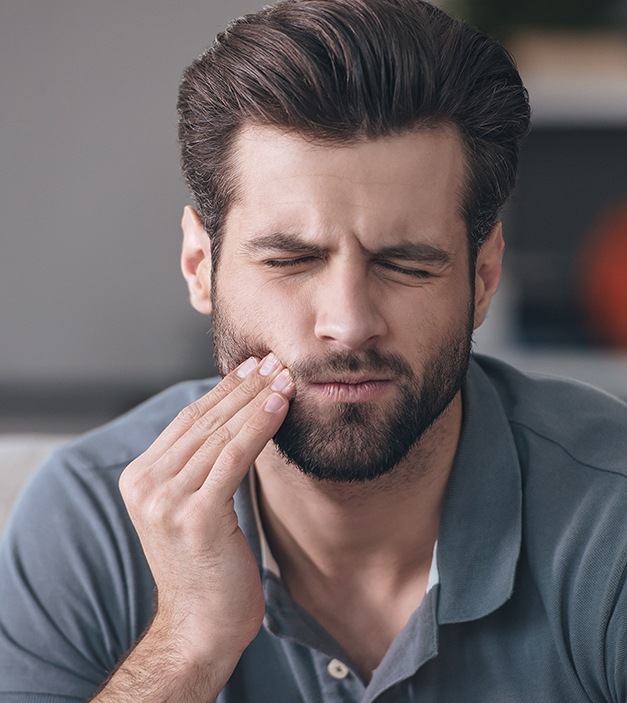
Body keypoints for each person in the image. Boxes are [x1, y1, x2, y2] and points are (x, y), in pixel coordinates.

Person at [1, 0, 626, 701]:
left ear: (482, 279)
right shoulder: (87, 520)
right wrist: (187, 646)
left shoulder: (609, 517)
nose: (349, 323)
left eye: (407, 264)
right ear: (198, 266)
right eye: (290, 260)